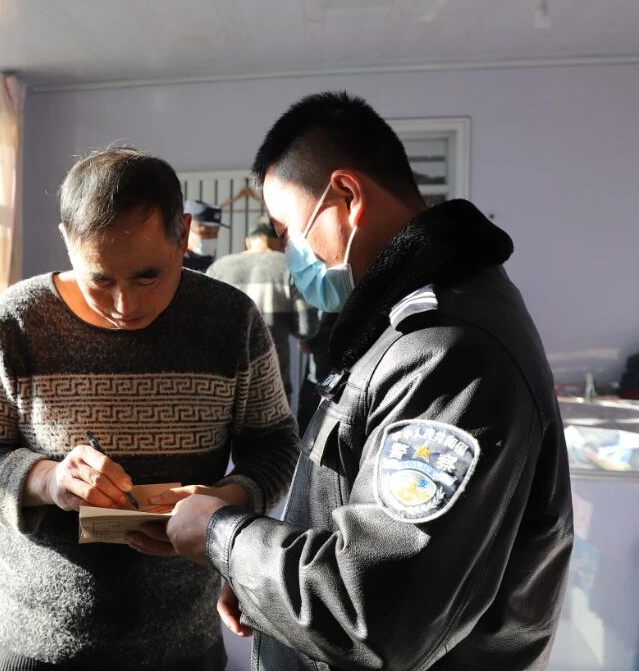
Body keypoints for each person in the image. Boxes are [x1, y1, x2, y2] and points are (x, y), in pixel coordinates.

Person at [164, 92, 573, 670]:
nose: (291, 254)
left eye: (288, 230)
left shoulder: (447, 350)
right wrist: (260, 581)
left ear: (347, 198)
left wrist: (222, 536)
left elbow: (374, 610)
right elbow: (351, 518)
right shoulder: (398, 327)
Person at [0, 147, 299, 671]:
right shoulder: (15, 322)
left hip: (184, 646)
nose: (126, 305)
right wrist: (46, 480)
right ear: (68, 240)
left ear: (183, 234)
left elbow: (276, 445)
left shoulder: (231, 321)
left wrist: (226, 500)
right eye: (101, 280)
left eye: (148, 277)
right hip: (36, 647)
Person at [207, 218, 319, 412]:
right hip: (272, 381)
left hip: (223, 379)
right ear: (282, 242)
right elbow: (307, 328)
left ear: (248, 241)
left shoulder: (218, 268)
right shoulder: (289, 268)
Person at [182, 198, 225, 271]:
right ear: (186, 228)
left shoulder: (209, 263)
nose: (211, 238)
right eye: (206, 233)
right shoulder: (171, 260)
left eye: (215, 233)